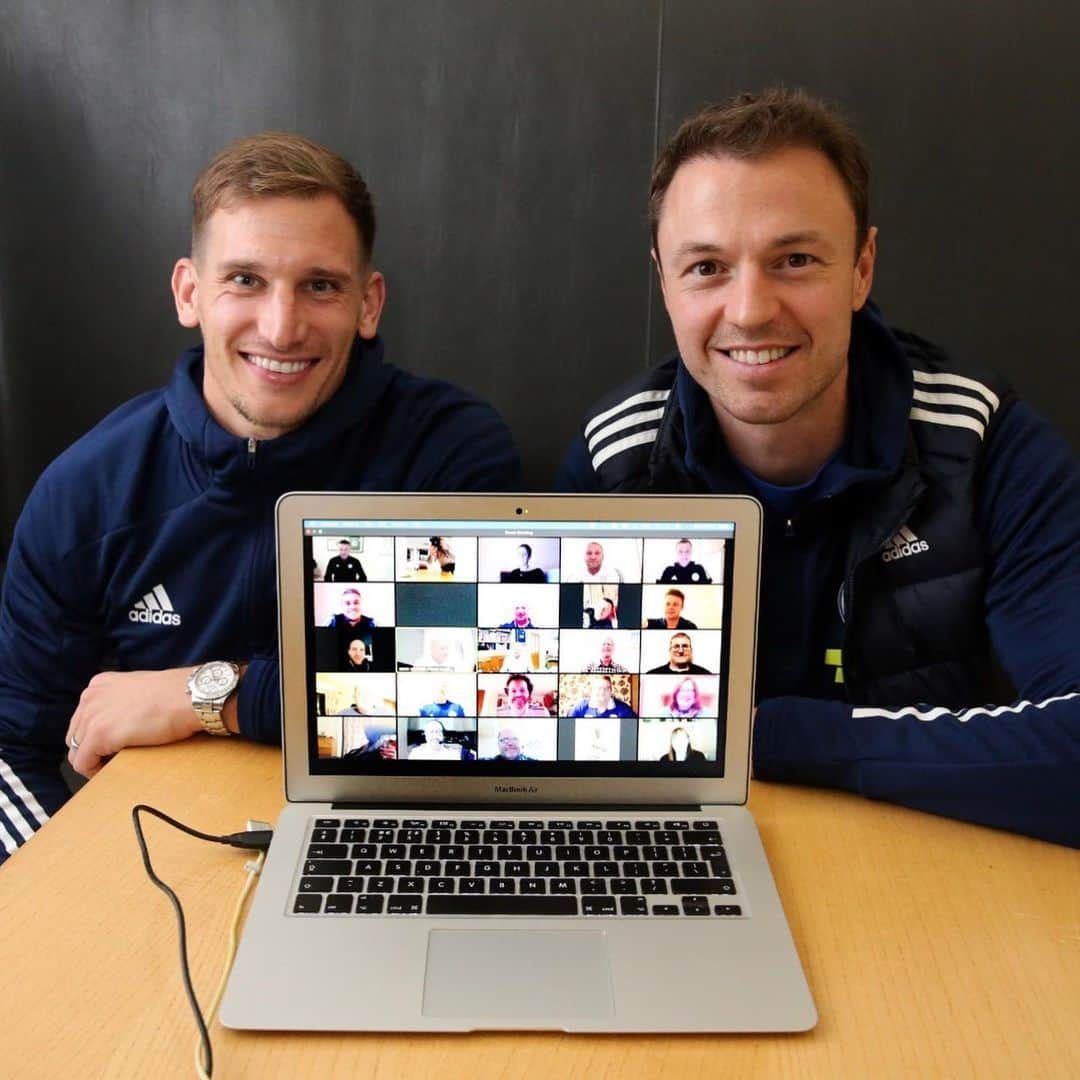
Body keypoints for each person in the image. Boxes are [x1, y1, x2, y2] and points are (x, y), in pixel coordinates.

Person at [558, 88, 1080, 847]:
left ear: (862, 268)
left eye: (794, 259)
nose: (750, 309)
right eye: (706, 267)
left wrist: (779, 737)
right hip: (692, 871)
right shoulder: (617, 462)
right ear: (664, 282)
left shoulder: (984, 442)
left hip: (937, 874)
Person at [0, 131, 520, 862]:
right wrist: (89, 889)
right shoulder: (86, 492)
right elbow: (10, 752)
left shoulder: (449, 453)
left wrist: (202, 694)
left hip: (401, 859)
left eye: (320, 285)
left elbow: (471, 697)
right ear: (190, 293)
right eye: (245, 279)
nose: (282, 326)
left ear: (368, 304)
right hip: (157, 872)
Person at [568, 675, 636, 719]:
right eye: (598, 688)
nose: (602, 691)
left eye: (606, 688)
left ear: (611, 691)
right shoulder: (581, 706)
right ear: (592, 690)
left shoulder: (623, 708)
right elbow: (568, 723)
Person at [408, 719, 475, 761]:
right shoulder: (415, 754)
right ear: (425, 734)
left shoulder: (453, 754)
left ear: (443, 735)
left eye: (438, 731)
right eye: (431, 732)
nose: (435, 736)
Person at [647, 632, 711, 674]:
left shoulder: (705, 674)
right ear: (670, 651)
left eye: (685, 646)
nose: (681, 651)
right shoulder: (652, 674)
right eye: (676, 646)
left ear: (691, 650)